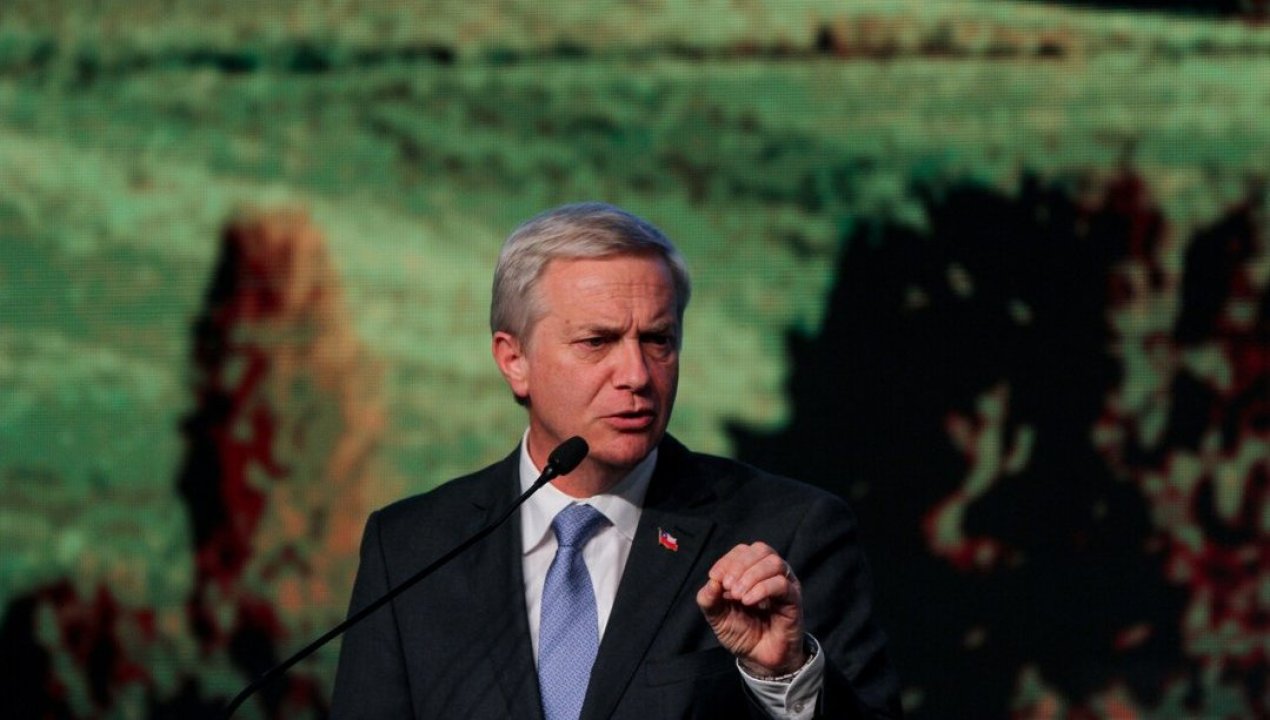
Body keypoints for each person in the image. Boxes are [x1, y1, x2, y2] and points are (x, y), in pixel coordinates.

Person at [331, 203, 902, 719]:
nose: (636, 375)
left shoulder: (787, 535)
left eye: (658, 340)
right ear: (514, 360)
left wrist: (783, 677)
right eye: (597, 342)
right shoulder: (411, 549)